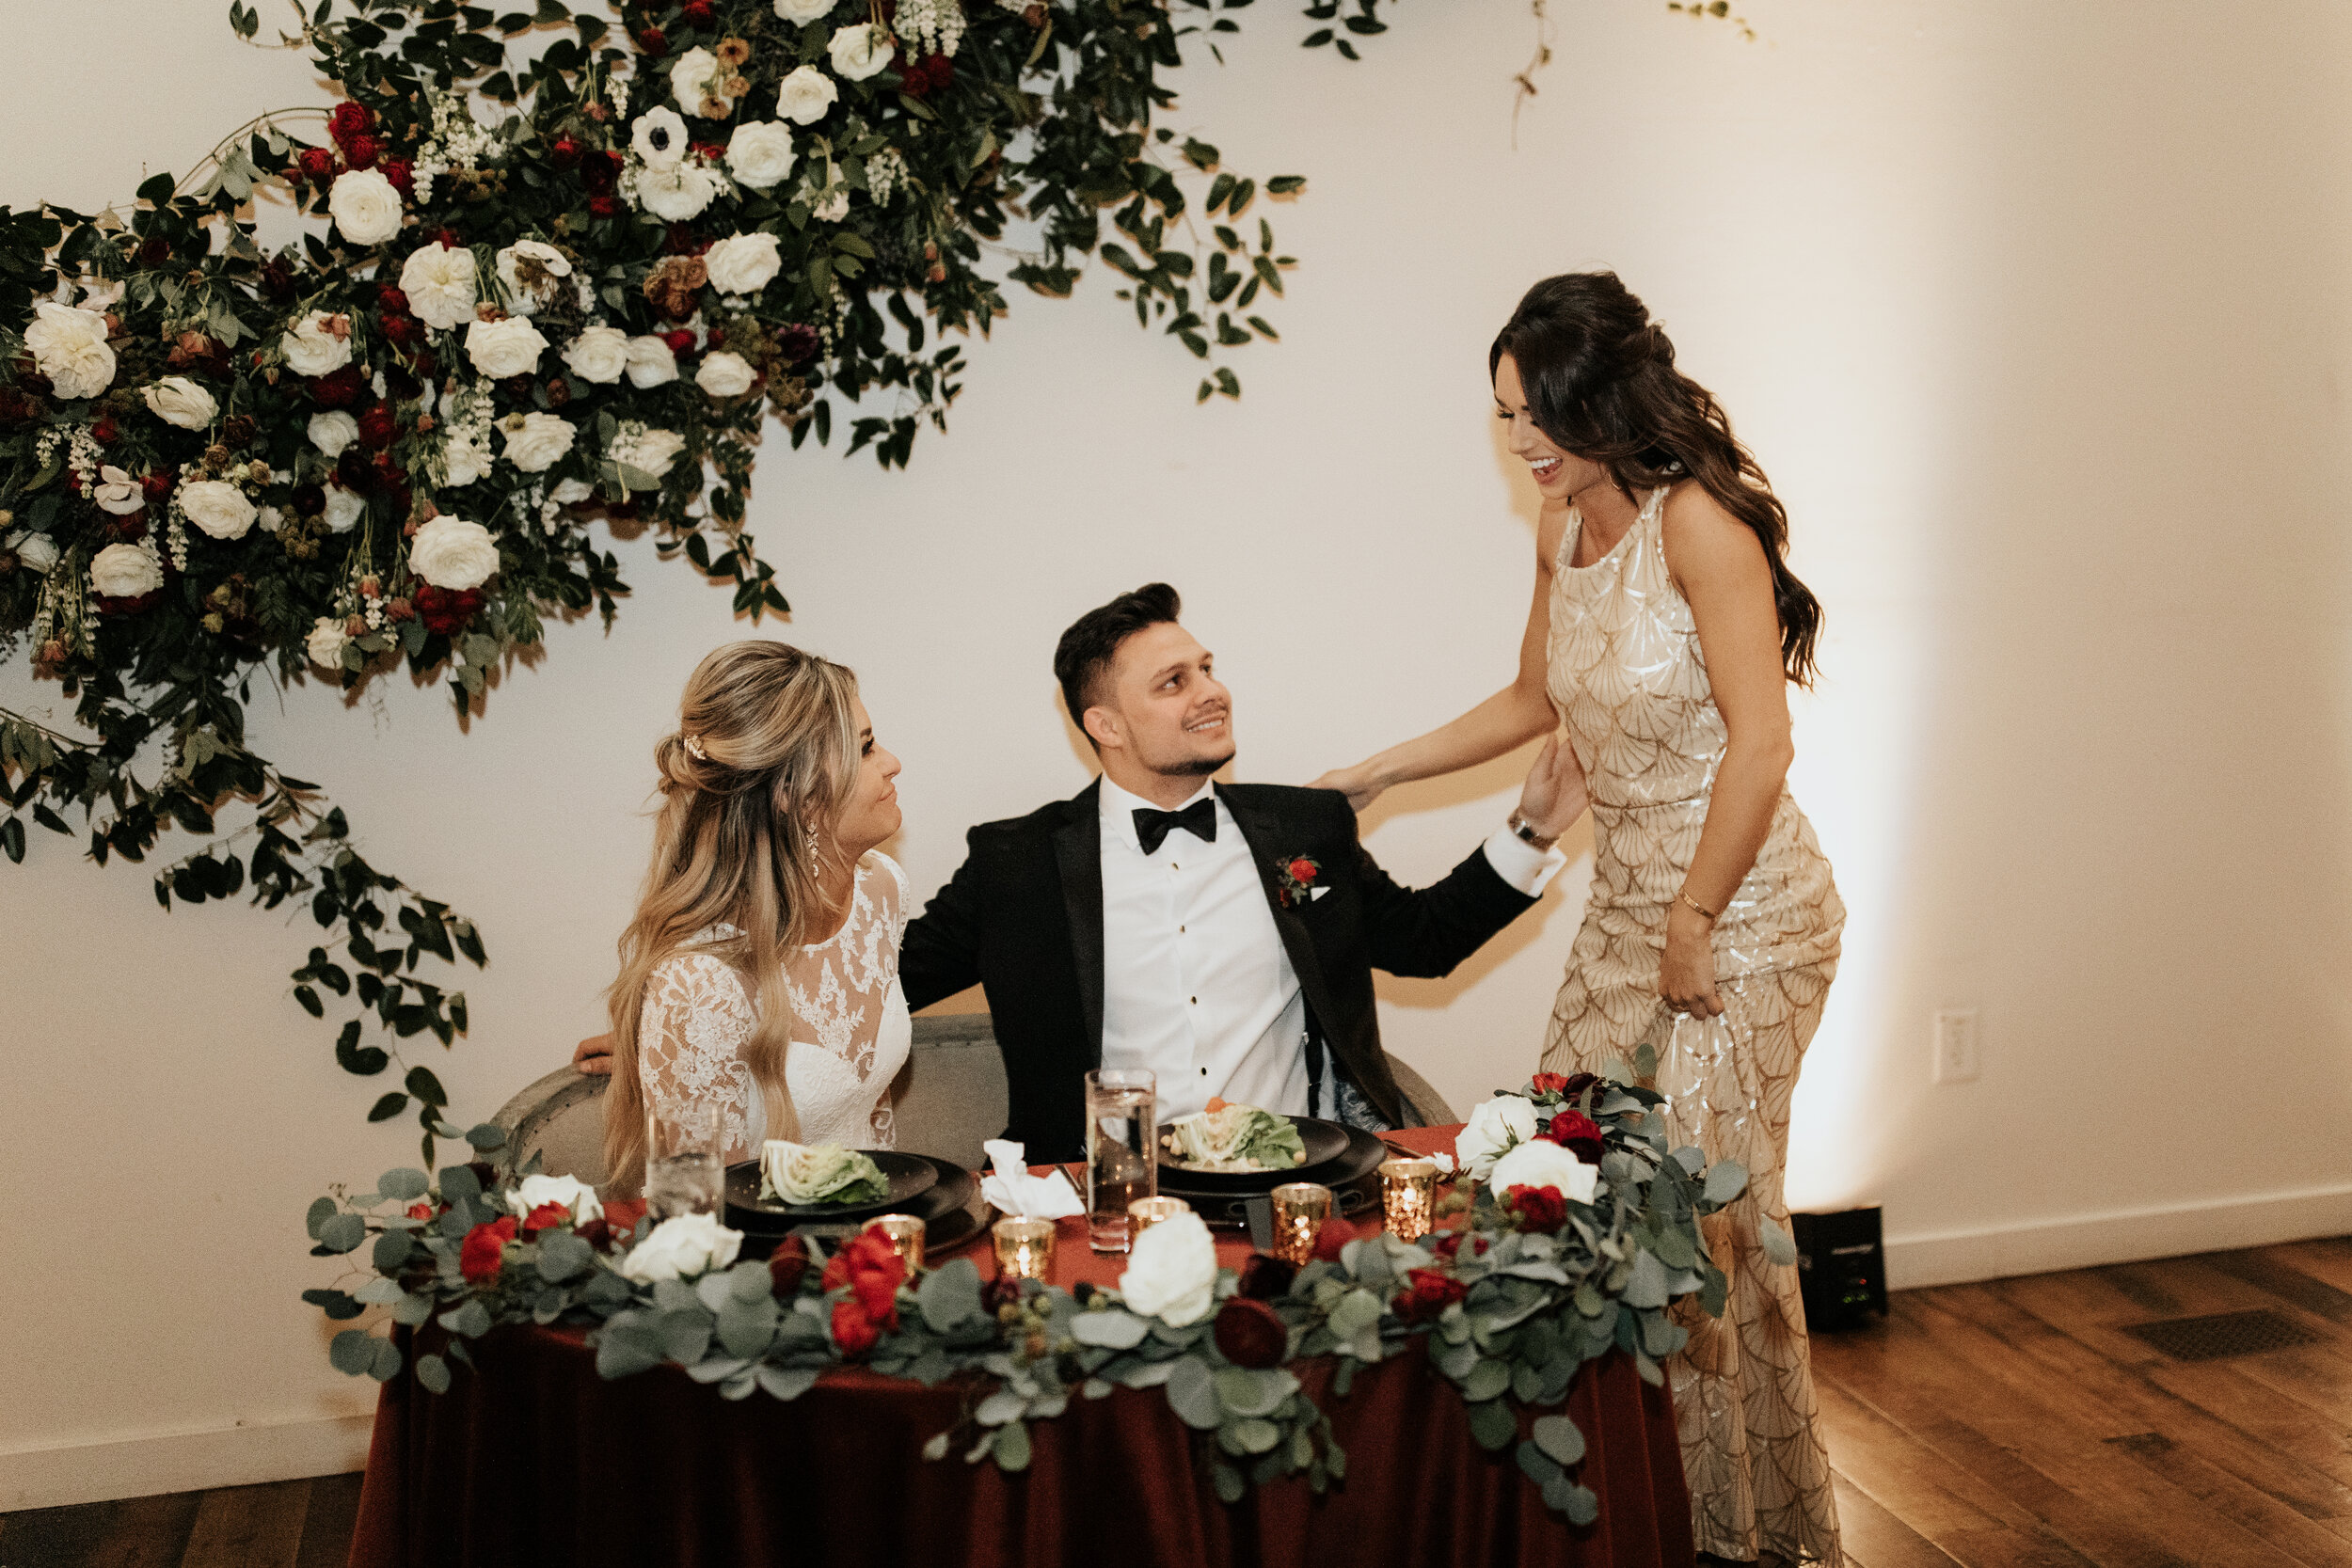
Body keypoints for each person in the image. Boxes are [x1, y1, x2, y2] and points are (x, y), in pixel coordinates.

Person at [1312, 273, 1847, 1568]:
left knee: (1709, 1221)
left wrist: (1693, 919)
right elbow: (1530, 695)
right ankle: (1637, 1506)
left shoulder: (1701, 524)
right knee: (1576, 1185)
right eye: (1504, 417)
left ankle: (1742, 1535)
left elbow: (1761, 744)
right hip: (1623, 917)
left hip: (1744, 918)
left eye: (1534, 411)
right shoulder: (1560, 528)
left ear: (1601, 395)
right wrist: (1381, 771)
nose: (1521, 443)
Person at [892, 582, 1585, 1163]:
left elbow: (1424, 941)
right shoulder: (1016, 863)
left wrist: (1533, 829)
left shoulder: (1302, 828)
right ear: (1106, 724)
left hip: (1292, 1178)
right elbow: (886, 987)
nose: (1212, 692)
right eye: (1174, 682)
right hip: (1102, 1194)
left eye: (1207, 668)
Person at [597, 640, 912, 1194]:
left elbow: (870, 1107)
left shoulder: (882, 892)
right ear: (793, 793)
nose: (892, 762)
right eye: (864, 749)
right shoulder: (697, 985)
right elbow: (699, 1210)